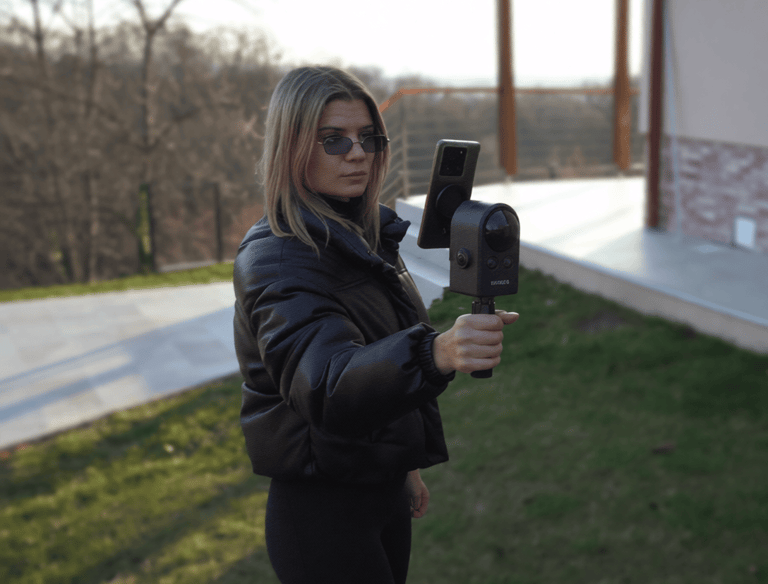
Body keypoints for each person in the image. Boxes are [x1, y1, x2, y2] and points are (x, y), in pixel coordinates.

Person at [233, 66, 519, 584]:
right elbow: (326, 384)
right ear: (291, 148)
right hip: (323, 513)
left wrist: (400, 466)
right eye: (333, 140)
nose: (358, 153)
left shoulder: (358, 237)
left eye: (368, 137)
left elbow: (374, 353)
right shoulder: (278, 259)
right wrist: (438, 352)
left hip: (378, 489)